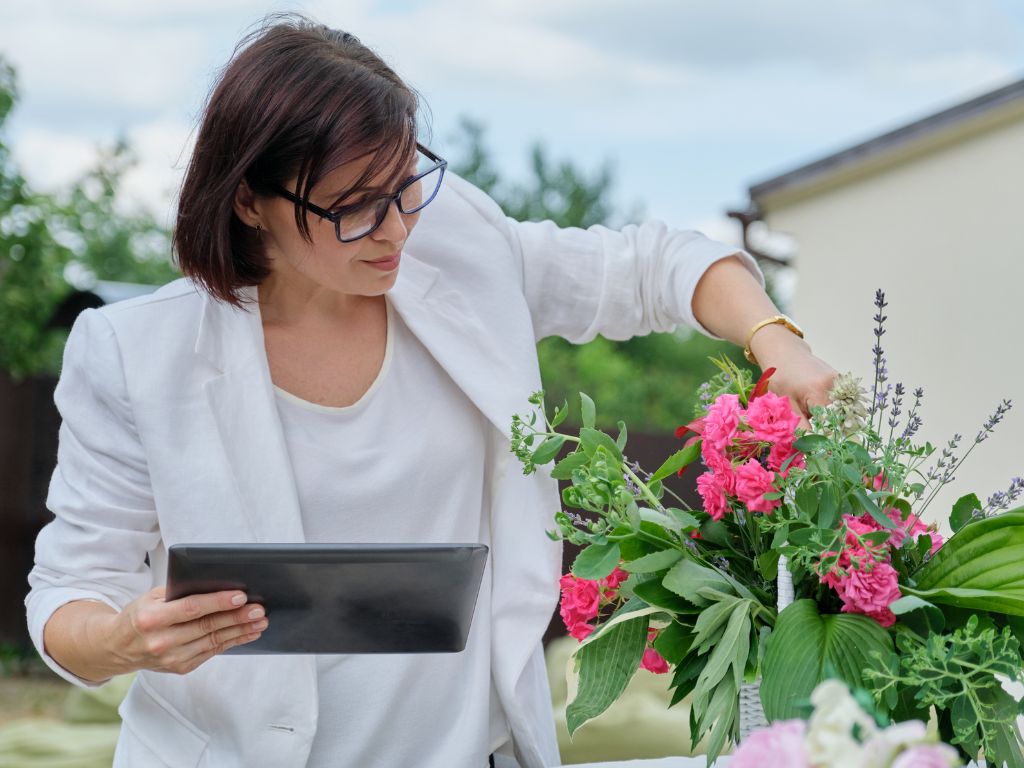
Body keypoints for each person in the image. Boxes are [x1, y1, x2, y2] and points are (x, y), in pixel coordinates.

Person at [25, 14, 838, 768]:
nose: (395, 228)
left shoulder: (462, 252)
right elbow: (68, 596)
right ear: (248, 201)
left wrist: (776, 340)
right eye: (352, 207)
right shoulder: (136, 353)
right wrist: (130, 638)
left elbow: (657, 264)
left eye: (406, 183)